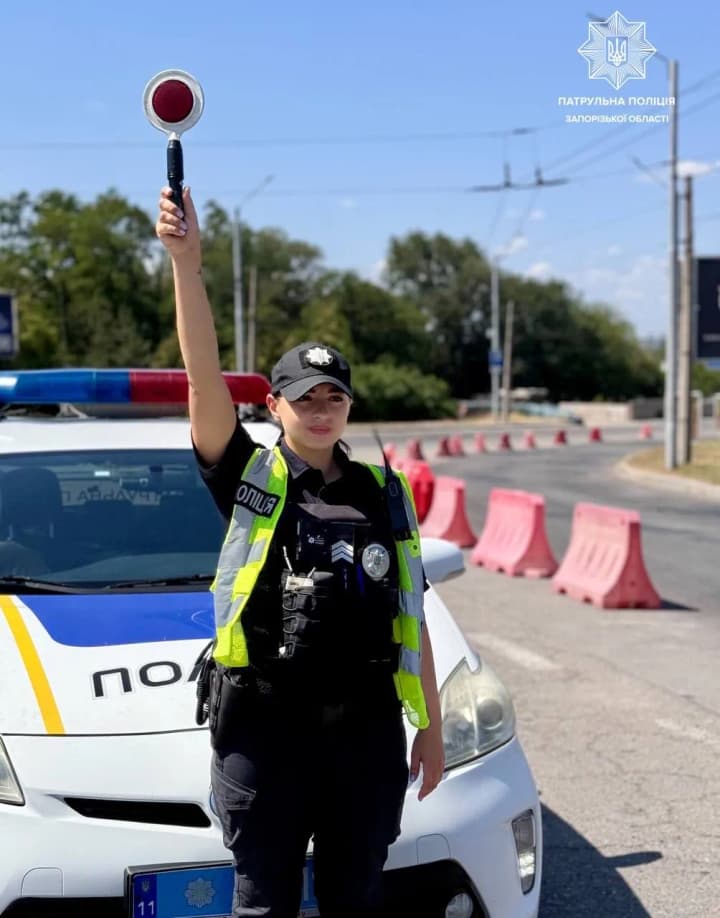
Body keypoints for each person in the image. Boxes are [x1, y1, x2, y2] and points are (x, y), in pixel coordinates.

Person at [155, 185, 445, 918]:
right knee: (264, 905)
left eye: (334, 398)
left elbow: (413, 612)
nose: (321, 411)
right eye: (304, 398)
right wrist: (187, 267)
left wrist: (433, 729)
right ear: (274, 406)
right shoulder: (250, 476)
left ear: (349, 406)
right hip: (265, 730)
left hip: (367, 733)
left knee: (357, 899)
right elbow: (202, 379)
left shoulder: (386, 492)